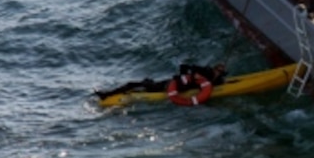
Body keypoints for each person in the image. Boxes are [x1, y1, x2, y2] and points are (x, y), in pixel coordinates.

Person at [94, 63, 227, 99]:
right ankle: (108, 95)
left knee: (144, 84)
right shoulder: (204, 72)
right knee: (136, 85)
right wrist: (187, 76)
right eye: (218, 72)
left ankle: (112, 93)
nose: (218, 75)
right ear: (214, 69)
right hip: (170, 86)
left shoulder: (215, 79)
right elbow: (183, 66)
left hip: (173, 85)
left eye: (220, 73)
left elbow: (218, 82)